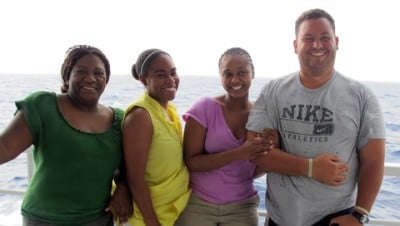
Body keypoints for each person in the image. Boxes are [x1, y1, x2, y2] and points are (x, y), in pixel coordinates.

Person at [246, 8, 386, 226]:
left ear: (336, 41)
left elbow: (374, 161)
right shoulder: (273, 91)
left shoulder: (362, 96)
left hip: (336, 219)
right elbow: (256, 153)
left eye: (325, 38)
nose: (317, 45)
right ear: (295, 45)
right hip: (280, 219)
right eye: (308, 38)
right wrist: (311, 168)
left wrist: (359, 214)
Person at [0, 45, 132, 225]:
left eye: (99, 73)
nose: (90, 78)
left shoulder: (119, 120)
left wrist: (123, 187)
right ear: (67, 76)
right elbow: (5, 148)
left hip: (98, 219)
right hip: (45, 220)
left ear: (106, 80)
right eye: (81, 71)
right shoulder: (43, 106)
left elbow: (124, 167)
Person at [174, 47, 270, 226]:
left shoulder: (262, 114)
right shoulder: (204, 108)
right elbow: (192, 162)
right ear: (220, 76)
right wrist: (238, 153)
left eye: (242, 72)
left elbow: (258, 167)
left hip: (242, 207)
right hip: (198, 204)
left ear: (253, 73)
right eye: (228, 74)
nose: (235, 80)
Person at [122, 48, 191, 226]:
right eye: (161, 75)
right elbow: (135, 181)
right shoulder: (141, 116)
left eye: (173, 72)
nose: (171, 80)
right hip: (148, 219)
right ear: (144, 79)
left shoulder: (169, 110)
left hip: (171, 212)